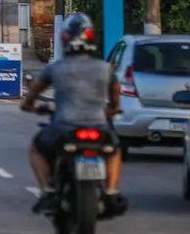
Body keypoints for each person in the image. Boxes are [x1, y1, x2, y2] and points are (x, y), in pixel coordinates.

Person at [21, 13, 126, 215]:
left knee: (36, 148)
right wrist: (112, 109)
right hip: (98, 126)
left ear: (64, 39)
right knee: (113, 150)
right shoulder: (104, 68)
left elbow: (34, 90)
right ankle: (111, 191)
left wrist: (30, 105)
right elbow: (115, 92)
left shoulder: (56, 68)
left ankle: (48, 192)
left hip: (64, 126)